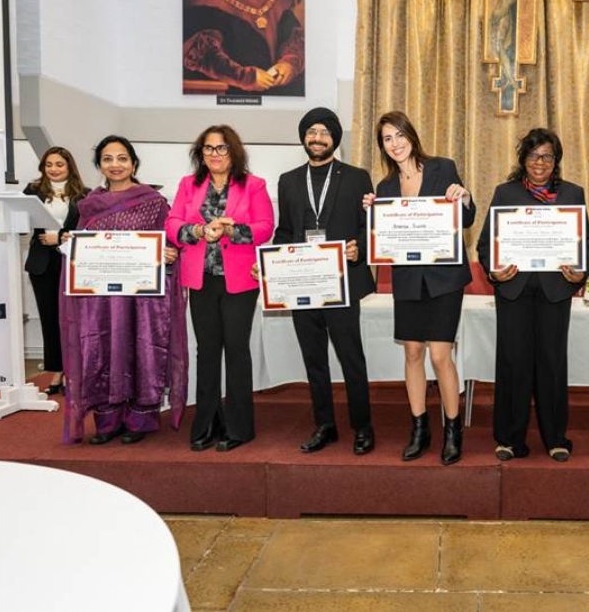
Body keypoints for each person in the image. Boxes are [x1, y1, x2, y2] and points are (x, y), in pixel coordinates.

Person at [262, 108, 377, 455]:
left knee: (351, 358)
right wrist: (271, 265)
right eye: (311, 131)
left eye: (324, 132)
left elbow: (369, 224)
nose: (317, 138)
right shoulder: (288, 180)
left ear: (334, 139)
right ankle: (324, 424)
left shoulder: (357, 177)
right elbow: (285, 231)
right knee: (314, 361)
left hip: (342, 283)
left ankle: (362, 426)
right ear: (304, 137)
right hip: (302, 283)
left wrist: (359, 248)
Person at [60, 135, 188, 445]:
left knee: (140, 348)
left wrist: (169, 252)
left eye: (121, 158)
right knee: (101, 349)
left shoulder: (153, 202)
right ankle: (107, 421)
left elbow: (168, 240)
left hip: (140, 299)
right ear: (99, 165)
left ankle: (139, 420)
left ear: (133, 163)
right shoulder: (88, 204)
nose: (115, 165)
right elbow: (82, 245)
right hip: (100, 300)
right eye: (107, 159)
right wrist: (70, 244)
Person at [364, 111, 476, 465]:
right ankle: (419, 429)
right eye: (387, 139)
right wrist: (372, 215)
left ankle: (453, 430)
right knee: (412, 352)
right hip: (408, 280)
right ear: (382, 146)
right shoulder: (384, 188)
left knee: (440, 356)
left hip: (444, 280)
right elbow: (383, 240)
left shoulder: (443, 168)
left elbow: (467, 218)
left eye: (399, 135)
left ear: (411, 136)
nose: (395, 144)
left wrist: (465, 197)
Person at [475, 128, 589, 462]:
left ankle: (555, 438)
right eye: (533, 155)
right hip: (514, 291)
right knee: (513, 363)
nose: (540, 163)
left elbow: (585, 244)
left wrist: (581, 271)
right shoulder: (505, 193)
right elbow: (485, 245)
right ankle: (510, 440)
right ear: (523, 159)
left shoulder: (572, 193)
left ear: (556, 161)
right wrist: (494, 271)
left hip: (555, 292)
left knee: (552, 364)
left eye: (547, 156)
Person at [167, 125, 274, 452]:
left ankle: (239, 427)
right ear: (201, 153)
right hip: (201, 279)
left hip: (240, 280)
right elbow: (172, 225)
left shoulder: (254, 185)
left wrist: (231, 230)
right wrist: (200, 231)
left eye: (222, 147)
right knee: (208, 350)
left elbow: (265, 228)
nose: (215, 154)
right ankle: (207, 422)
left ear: (234, 152)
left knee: (237, 349)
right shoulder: (188, 184)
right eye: (209, 148)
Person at [183, 0, 304, 96]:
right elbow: (203, 54)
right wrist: (245, 77)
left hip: (276, 93)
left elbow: (294, 37)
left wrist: (289, 63)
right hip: (231, 93)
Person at [22, 146, 87, 395]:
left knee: (72, 320)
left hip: (73, 261)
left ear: (69, 166)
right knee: (49, 320)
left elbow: (88, 230)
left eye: (59, 164)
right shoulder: (32, 192)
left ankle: (73, 371)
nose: (54, 169)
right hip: (42, 263)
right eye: (49, 164)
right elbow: (20, 221)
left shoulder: (85, 194)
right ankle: (57, 370)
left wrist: (59, 237)